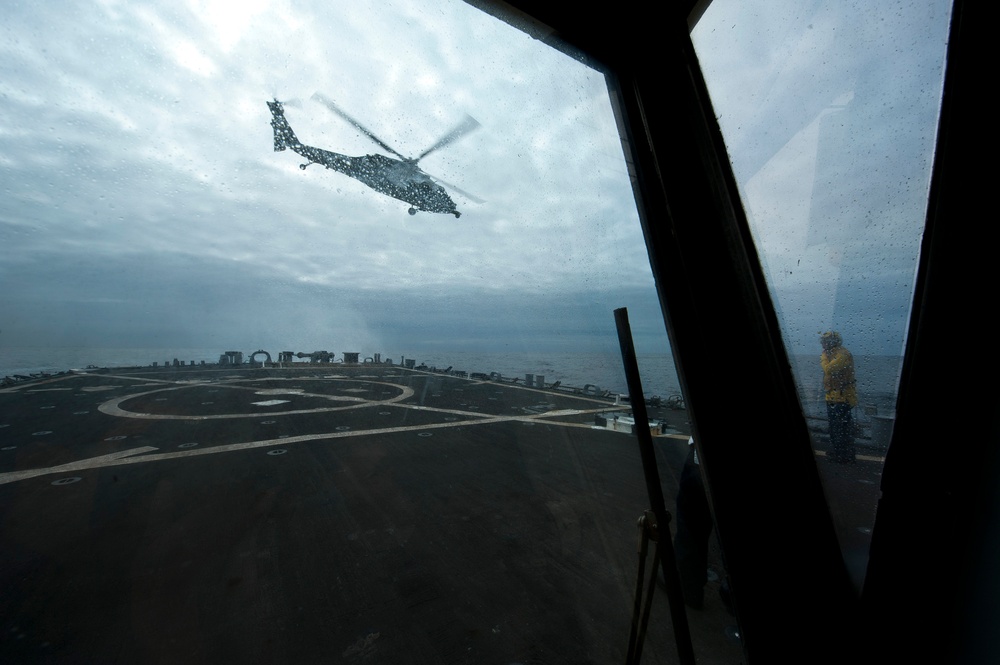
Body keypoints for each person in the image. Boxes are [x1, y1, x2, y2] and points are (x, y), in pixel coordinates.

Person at [820, 331, 857, 463]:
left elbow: (829, 369)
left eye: (825, 341)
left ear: (833, 342)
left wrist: (824, 357)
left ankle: (845, 455)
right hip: (833, 397)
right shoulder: (833, 354)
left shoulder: (842, 354)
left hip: (842, 398)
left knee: (842, 428)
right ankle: (838, 451)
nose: (822, 343)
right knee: (835, 427)